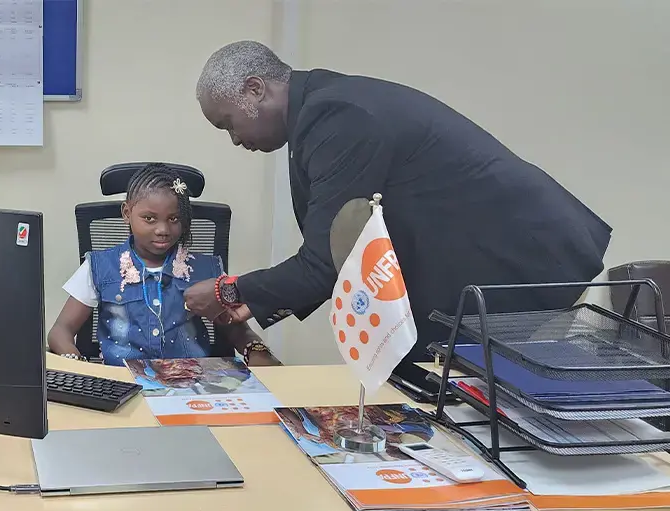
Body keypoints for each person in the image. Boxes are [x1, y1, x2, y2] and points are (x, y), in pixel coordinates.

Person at [185, 40, 612, 373]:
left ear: (255, 89)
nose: (235, 140)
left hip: (524, 270)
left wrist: (228, 289)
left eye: (228, 124)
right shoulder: (326, 107)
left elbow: (329, 259)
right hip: (487, 273)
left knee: (511, 417)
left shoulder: (337, 117)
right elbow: (346, 253)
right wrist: (253, 301)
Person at [48, 163, 281, 367]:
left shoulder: (205, 269)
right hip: (123, 383)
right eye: (149, 219)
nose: (163, 230)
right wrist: (80, 367)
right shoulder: (99, 266)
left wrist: (256, 350)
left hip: (192, 383)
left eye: (174, 219)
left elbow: (234, 327)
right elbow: (61, 330)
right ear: (127, 213)